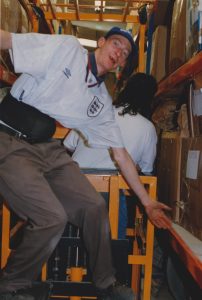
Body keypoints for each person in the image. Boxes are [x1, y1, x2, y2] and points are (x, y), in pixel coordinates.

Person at [0, 27, 171, 300]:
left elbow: (121, 155)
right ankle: (11, 286)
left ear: (122, 66)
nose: (119, 53)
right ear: (100, 42)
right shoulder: (66, 49)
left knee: (94, 206)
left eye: (125, 54)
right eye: (116, 44)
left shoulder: (101, 102)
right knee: (51, 218)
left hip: (47, 148)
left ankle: (105, 283)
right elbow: (8, 40)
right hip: (10, 139)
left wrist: (147, 202)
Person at [64, 72, 158, 238]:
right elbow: (146, 171)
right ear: (150, 98)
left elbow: (68, 145)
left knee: (66, 240)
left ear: (125, 90)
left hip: (73, 185)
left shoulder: (96, 113)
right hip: (110, 193)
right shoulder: (147, 128)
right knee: (112, 243)